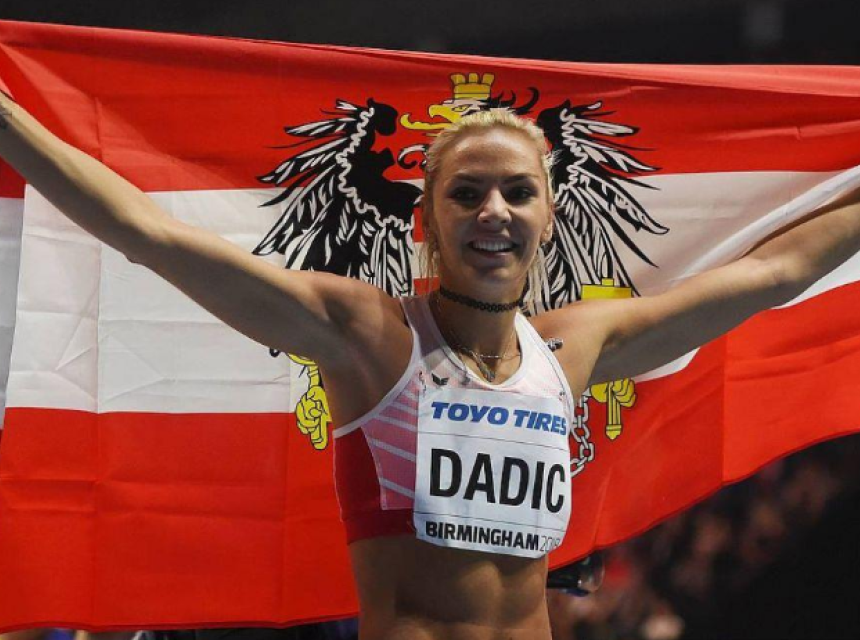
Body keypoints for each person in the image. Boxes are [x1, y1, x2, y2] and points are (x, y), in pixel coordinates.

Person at [2, 88, 859, 640]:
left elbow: (776, 272)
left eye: (518, 192)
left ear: (548, 216)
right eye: (466, 193)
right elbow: (148, 234)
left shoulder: (576, 347)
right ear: (427, 222)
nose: (494, 211)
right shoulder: (368, 337)